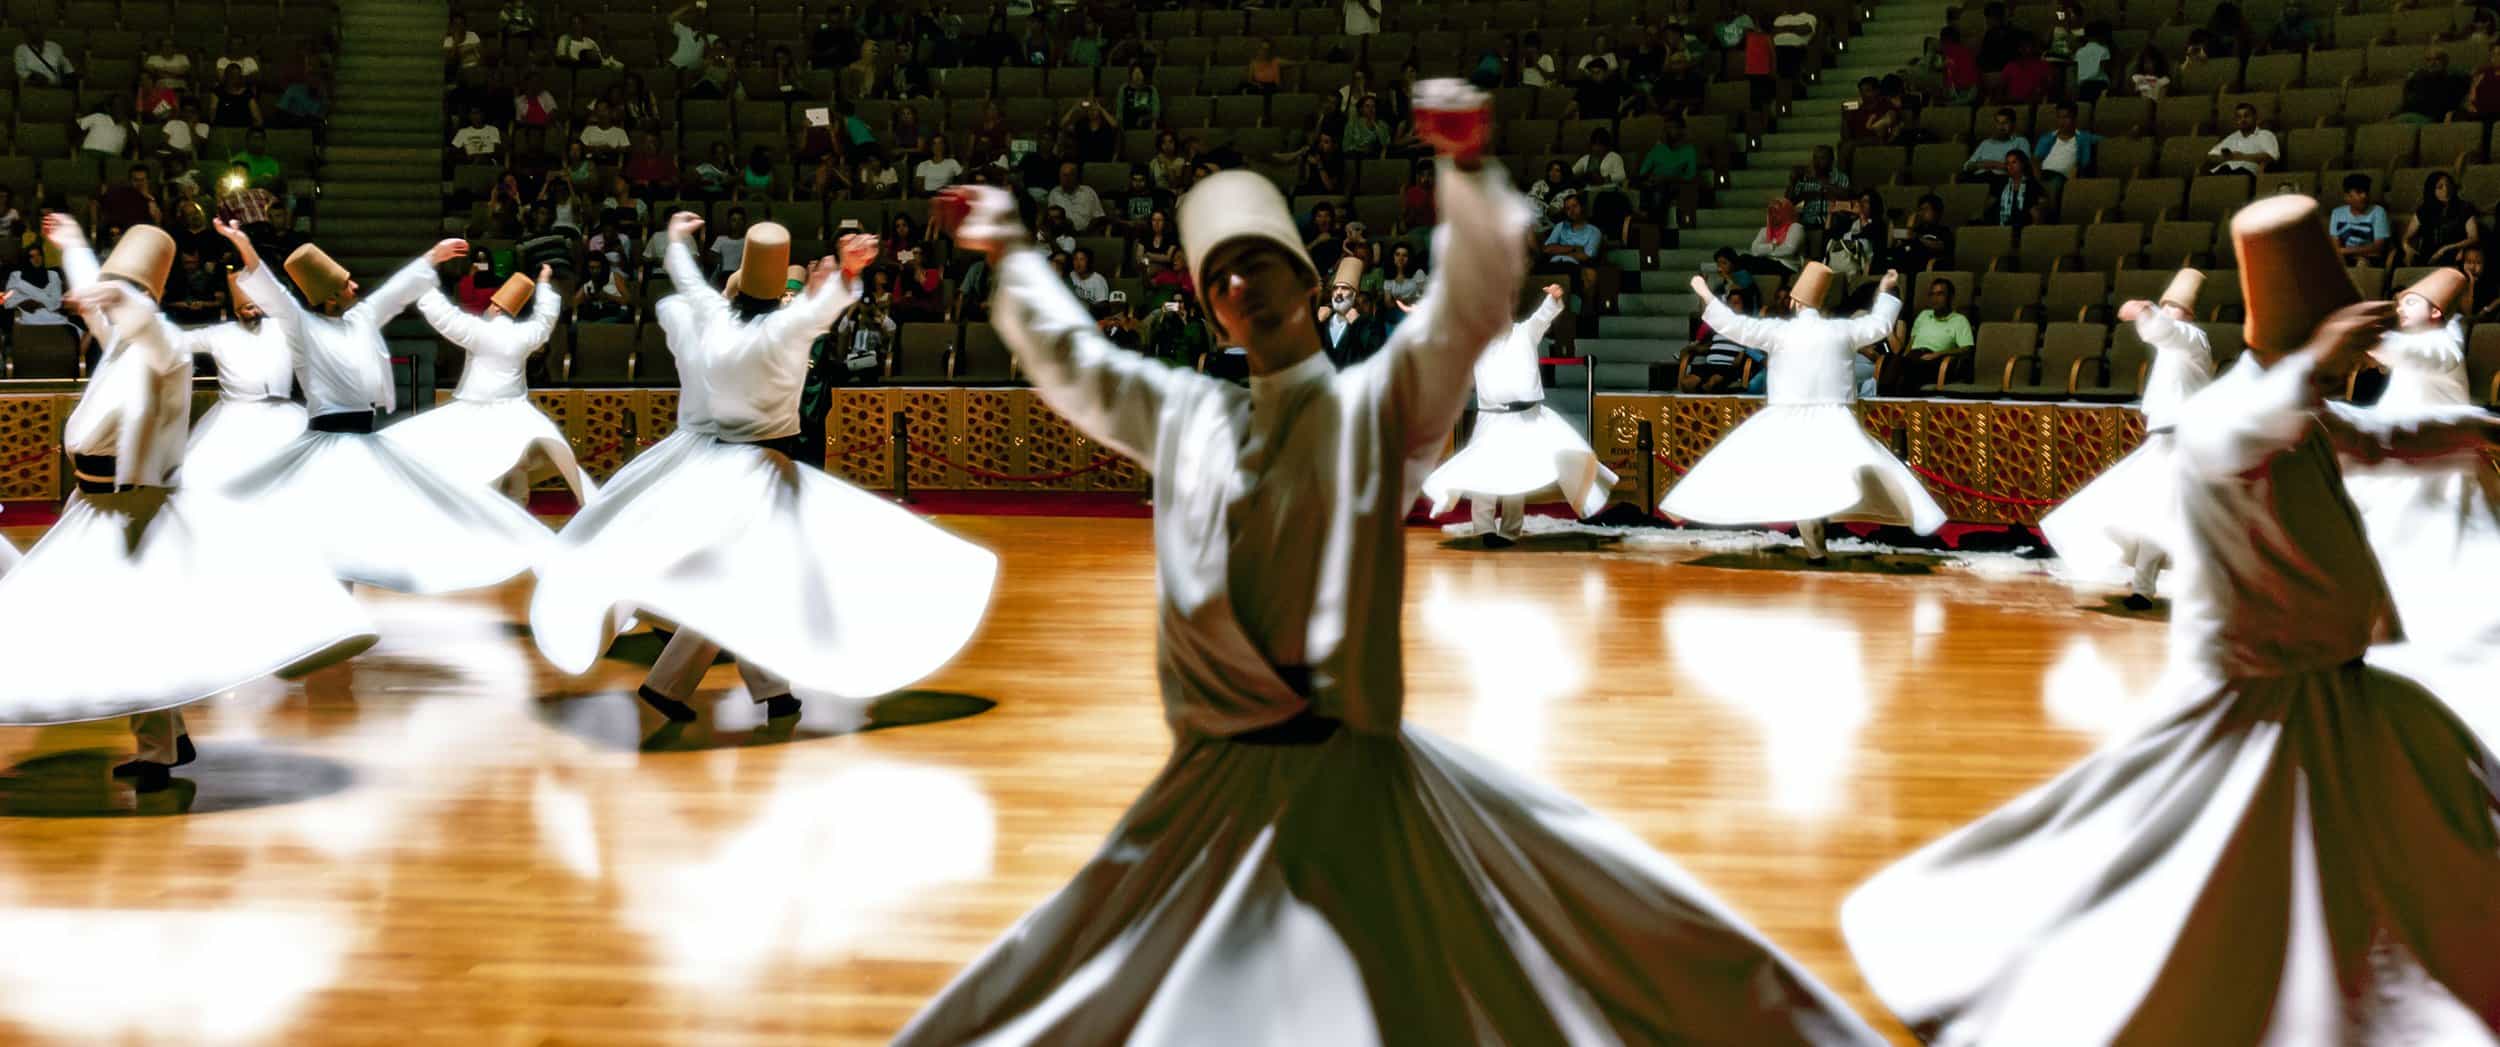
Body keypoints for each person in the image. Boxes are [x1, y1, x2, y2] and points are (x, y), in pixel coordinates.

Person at [901, 79, 1885, 1046]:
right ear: (1214, 311)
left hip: (1350, 772)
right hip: (1211, 785)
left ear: (1302, 275)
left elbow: (1465, 311)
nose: (1244, 285)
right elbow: (1076, 363)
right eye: (1222, 279)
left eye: (1260, 264)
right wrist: (1010, 252)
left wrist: (1463, 168)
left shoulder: (1374, 410)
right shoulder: (1186, 417)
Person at [1843, 195, 2500, 1046]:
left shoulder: (2310, 411)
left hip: (2336, 691)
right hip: (2256, 698)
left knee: (2397, 834)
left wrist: (2464, 426)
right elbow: (2247, 430)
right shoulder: (2232, 414)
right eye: (2336, 341)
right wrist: (2313, 365)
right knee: (2202, 855)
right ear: (2308, 341)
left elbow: (2381, 437)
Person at [528, 217, 997, 727]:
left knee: (750, 576)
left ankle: (772, 692)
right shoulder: (785, 328)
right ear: (781, 293)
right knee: (753, 577)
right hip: (765, 467)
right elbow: (825, 309)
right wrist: (847, 270)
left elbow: (685, 280)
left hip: (715, 461)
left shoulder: (715, 318)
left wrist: (679, 239)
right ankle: (676, 682)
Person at [0, 218, 373, 794]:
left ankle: (159, 748)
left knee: (136, 628)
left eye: (119, 298)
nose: (105, 311)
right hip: (91, 507)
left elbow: (149, 329)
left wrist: (117, 295)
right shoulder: (119, 347)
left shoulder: (164, 351)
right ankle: (165, 740)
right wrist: (74, 248)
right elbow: (110, 316)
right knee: (101, 622)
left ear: (142, 303)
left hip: (136, 513)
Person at [214, 221, 551, 592]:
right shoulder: (302, 326)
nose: (355, 286)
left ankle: (344, 599)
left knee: (357, 524)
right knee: (325, 524)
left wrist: (431, 258)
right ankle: (326, 599)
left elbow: (395, 292)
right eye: (346, 284)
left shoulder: (361, 318)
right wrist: (244, 246)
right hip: (326, 440)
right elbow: (273, 292)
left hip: (363, 439)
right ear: (329, 297)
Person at [1665, 263, 1946, 562]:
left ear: (1796, 302)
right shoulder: (1843, 329)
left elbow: (1737, 327)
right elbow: (1880, 326)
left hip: (1789, 418)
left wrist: (1708, 296)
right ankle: (1825, 542)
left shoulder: (1779, 331)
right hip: (1833, 419)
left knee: (1781, 475)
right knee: (1851, 471)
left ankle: (1816, 546)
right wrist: (1885, 291)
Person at [2339, 267, 2500, 653]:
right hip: (2404, 475)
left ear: (2435, 313)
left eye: (2411, 302)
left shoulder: (2441, 347)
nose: (2401, 307)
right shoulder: (2413, 357)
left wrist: (2361, 329)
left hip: (2437, 482)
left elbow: (2402, 350)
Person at [2040, 270, 2216, 609]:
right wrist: (2146, 314)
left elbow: (2166, 330)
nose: (2168, 311)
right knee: (2150, 514)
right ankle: (2143, 589)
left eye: (2174, 307)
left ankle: (2187, 590)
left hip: (2187, 444)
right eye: (2165, 305)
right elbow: (2159, 331)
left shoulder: (2193, 338)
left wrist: (2146, 310)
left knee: (2185, 521)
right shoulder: (2170, 344)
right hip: (2165, 443)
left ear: (2189, 314)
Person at [1423, 284, 1616, 547]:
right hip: (1492, 418)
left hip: (1524, 417)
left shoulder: (1525, 332)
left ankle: (1510, 531)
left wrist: (1553, 298)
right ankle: (1484, 528)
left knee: (1516, 474)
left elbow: (1542, 317)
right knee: (1484, 473)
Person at [386, 266, 595, 505]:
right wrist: (544, 283)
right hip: (514, 411)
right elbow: (545, 317)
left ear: (495, 307)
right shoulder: (525, 335)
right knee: (516, 466)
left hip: (478, 408)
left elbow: (443, 316)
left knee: (482, 468)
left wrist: (424, 285)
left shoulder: (479, 331)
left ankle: (485, 518)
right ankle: (517, 519)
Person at [176, 267, 310, 493]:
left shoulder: (280, 327)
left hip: (283, 412)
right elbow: (179, 341)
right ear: (237, 312)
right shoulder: (220, 334)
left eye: (256, 306)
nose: (254, 311)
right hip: (235, 415)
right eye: (247, 308)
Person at [1885, 277, 1974, 394]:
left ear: (1950, 297)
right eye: (1932, 294)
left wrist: (1938, 354)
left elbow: (1967, 349)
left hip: (1937, 361)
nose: (1935, 299)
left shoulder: (1959, 320)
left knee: (1905, 371)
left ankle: (1888, 401)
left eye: (1940, 294)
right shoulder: (1923, 315)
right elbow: (1911, 343)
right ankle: (1888, 400)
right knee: (1894, 362)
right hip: (1914, 356)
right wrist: (1905, 356)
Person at [1316, 257, 1389, 366]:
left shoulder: (1370, 324)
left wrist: (1357, 324)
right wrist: (1316, 324)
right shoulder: (1323, 320)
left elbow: (1374, 360)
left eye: (1345, 288)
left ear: (1354, 294)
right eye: (1335, 288)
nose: (1338, 293)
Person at [2402, 171, 2479, 267]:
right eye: (2440, 187)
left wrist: (2445, 249)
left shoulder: (2464, 207)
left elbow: (2474, 237)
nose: (2446, 190)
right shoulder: (2424, 210)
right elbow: (2407, 237)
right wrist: (2407, 247)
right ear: (2432, 190)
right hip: (2428, 255)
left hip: (2453, 253)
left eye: (2448, 185)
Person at [2332, 173, 2393, 267]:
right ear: (2347, 197)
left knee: (2362, 263)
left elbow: (2378, 246)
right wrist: (2341, 252)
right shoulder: (2337, 213)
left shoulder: (2378, 212)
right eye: (2359, 192)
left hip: (2370, 259)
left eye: (2366, 191)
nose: (2364, 196)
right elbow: (2335, 245)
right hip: (2344, 258)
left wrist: (2344, 251)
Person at [2205, 103, 2278, 177]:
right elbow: (2211, 156)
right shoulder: (2232, 137)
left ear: (2255, 117)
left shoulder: (2265, 134)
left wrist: (2242, 157)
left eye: (2246, 116)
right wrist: (2225, 157)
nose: (2243, 120)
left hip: (2245, 172)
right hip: (2222, 171)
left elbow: (2272, 156)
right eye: (2239, 117)